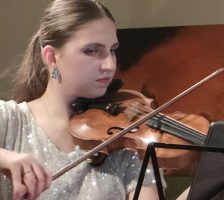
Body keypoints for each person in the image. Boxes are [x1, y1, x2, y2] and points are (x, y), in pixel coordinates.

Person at [0, 0, 166, 199]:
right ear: (52, 57)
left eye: (112, 50)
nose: (109, 65)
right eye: (92, 51)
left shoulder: (124, 140)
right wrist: (4, 157)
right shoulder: (9, 120)